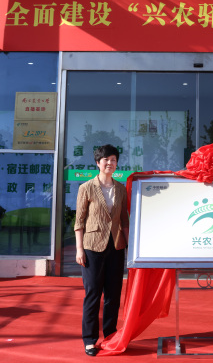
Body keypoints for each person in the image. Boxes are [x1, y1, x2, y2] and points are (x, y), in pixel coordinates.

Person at [75, 144, 129, 356]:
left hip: (116, 246)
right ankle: (89, 339)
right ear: (98, 163)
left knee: (113, 295)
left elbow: (124, 221)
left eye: (113, 160)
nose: (110, 163)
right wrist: (79, 249)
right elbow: (79, 221)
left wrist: (130, 247)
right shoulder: (86, 187)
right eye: (106, 160)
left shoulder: (121, 189)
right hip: (92, 247)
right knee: (93, 294)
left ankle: (110, 335)